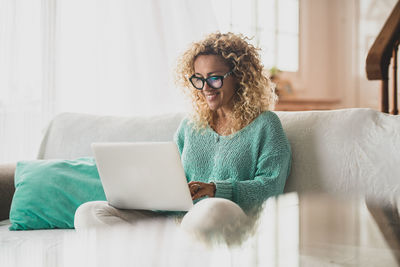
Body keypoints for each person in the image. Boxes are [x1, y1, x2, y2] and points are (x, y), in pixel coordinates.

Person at [74, 32, 292, 242]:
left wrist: (216, 190)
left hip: (226, 219)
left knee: (211, 208)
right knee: (89, 213)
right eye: (199, 79)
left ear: (239, 76)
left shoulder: (266, 125)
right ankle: (162, 250)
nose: (205, 88)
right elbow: (172, 178)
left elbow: (270, 188)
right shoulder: (190, 125)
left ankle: (169, 247)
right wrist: (148, 190)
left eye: (214, 78)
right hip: (176, 220)